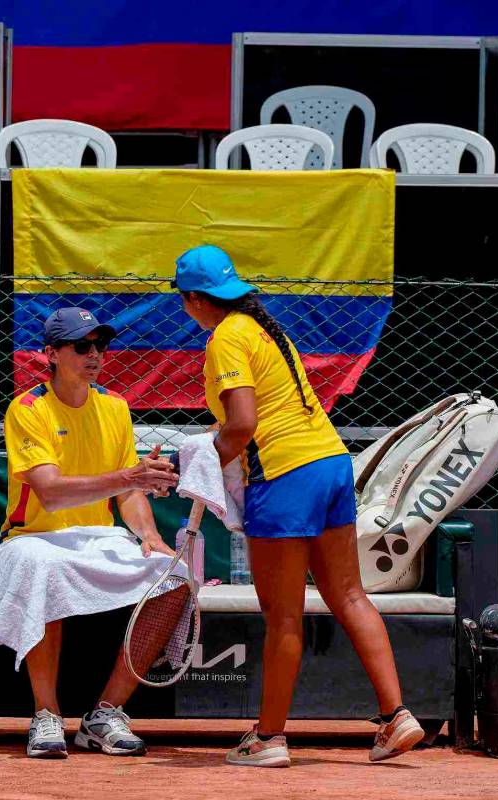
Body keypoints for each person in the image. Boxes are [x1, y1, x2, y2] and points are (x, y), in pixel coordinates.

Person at [172, 245, 424, 766]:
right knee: (350, 595)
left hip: (286, 477)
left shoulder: (225, 339)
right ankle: (397, 715)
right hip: (331, 464)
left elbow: (242, 425)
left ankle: (268, 739)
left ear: (193, 299)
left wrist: (198, 463)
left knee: (283, 618)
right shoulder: (264, 329)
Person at [0, 306, 180, 759]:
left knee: (174, 576)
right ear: (51, 354)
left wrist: (149, 536)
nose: (95, 354)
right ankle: (46, 714)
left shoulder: (114, 406)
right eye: (82, 346)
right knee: (40, 564)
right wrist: (129, 478)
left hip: (99, 538)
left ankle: (105, 714)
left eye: (100, 346)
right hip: (30, 537)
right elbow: (50, 493)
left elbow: (129, 495)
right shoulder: (27, 409)